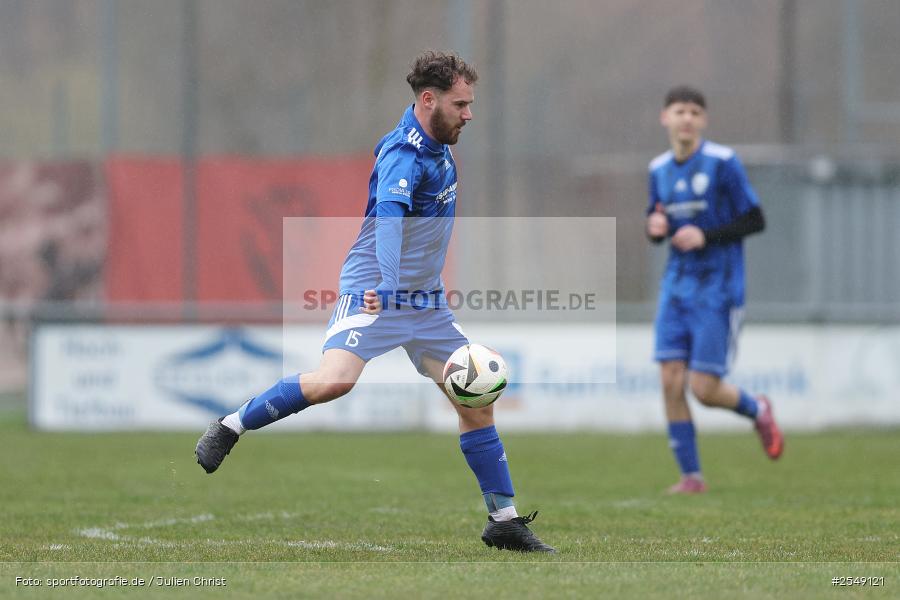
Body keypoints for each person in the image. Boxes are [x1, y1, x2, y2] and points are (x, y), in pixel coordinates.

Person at [195, 51, 554, 552]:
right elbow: (388, 220)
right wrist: (387, 286)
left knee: (474, 398)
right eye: (461, 104)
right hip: (375, 289)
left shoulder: (439, 141)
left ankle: (504, 520)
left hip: (424, 304)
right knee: (334, 381)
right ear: (429, 100)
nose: (469, 114)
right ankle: (231, 425)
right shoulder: (402, 155)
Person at [646, 85, 784, 494]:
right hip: (677, 287)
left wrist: (706, 236)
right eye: (679, 111)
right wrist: (654, 231)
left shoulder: (723, 162)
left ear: (703, 121)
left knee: (704, 389)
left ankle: (758, 409)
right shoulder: (658, 169)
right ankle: (692, 477)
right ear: (665, 118)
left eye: (694, 112)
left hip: (718, 289)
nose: (686, 118)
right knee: (670, 380)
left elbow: (755, 219)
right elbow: (658, 221)